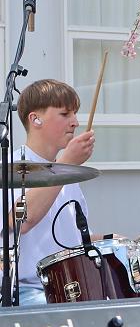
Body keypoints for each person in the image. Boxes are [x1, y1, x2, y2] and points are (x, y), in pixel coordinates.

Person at [4, 79, 94, 306]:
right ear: (35, 119)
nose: (75, 122)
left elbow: (74, 239)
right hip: (27, 290)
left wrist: (113, 241)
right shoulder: (10, 169)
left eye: (75, 114)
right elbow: (21, 221)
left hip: (69, 286)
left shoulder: (68, 172)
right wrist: (66, 164)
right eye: (65, 114)